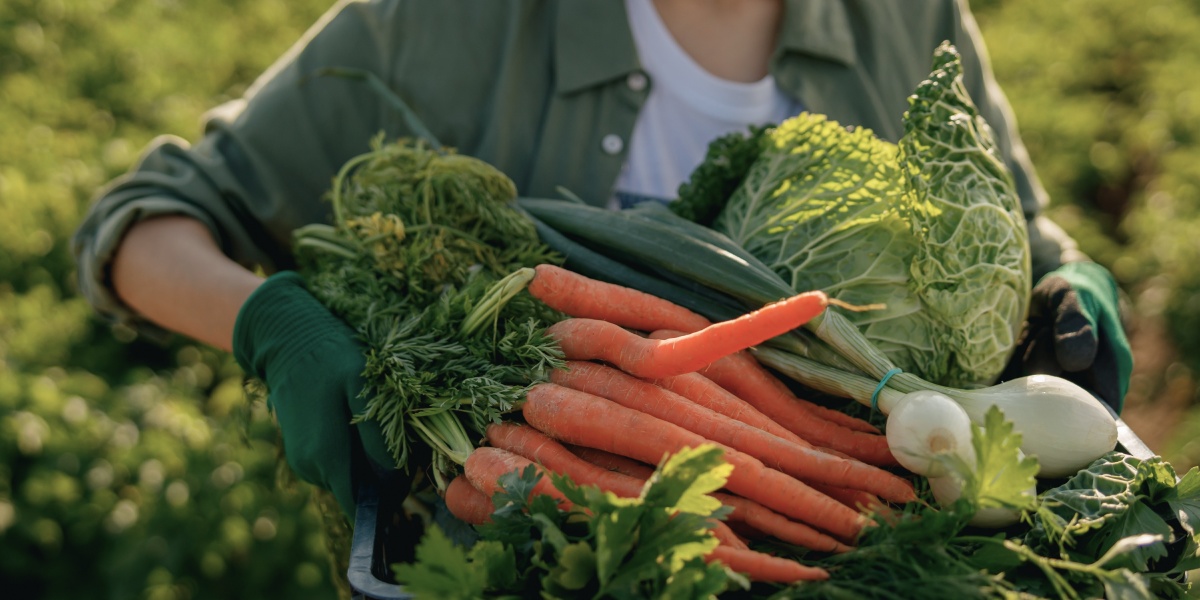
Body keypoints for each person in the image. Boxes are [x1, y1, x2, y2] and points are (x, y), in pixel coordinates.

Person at [73, 0, 1131, 564]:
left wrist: (1065, 280)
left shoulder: (905, 13)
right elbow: (143, 221)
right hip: (522, 551)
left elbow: (1018, 230)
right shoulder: (448, 21)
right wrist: (270, 320)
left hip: (878, 524)